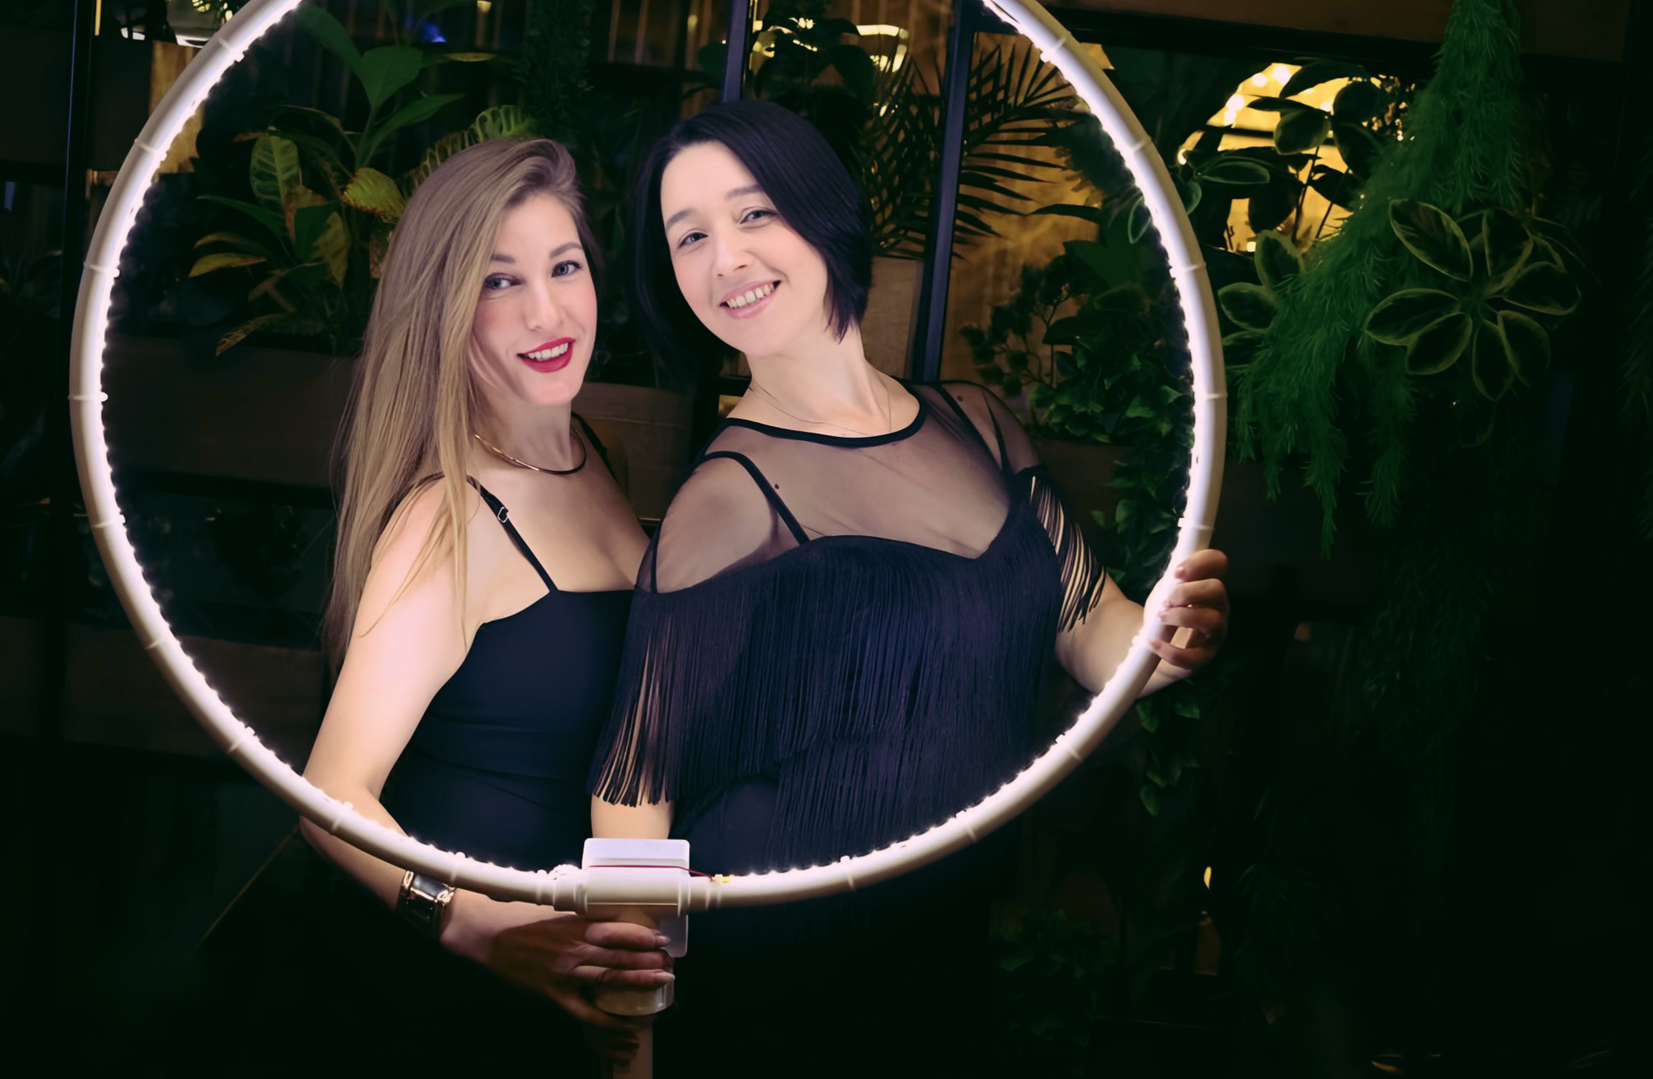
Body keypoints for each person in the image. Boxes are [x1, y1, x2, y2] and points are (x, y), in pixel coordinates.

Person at [589, 101, 1230, 1074]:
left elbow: (1094, 627)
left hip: (938, 948)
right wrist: (628, 1045)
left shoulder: (976, 423)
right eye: (691, 237)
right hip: (782, 973)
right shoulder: (726, 499)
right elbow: (633, 794)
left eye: (754, 212)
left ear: (821, 212)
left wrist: (1173, 638)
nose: (727, 257)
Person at [192, 140, 670, 1075]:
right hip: (442, 1008)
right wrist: (472, 924)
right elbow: (332, 796)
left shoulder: (599, 455)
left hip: (570, 995)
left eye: (564, 267)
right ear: (445, 311)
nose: (547, 311)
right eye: (499, 282)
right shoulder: (447, 518)